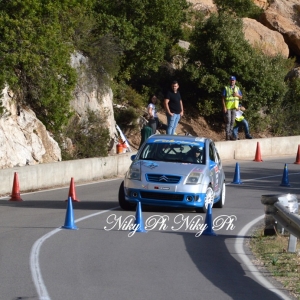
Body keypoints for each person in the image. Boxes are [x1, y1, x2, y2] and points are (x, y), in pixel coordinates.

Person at [221, 76, 242, 140]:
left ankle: (230, 134)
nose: (232, 81)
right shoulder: (226, 88)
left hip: (234, 108)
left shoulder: (237, 88)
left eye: (233, 80)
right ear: (229, 81)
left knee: (233, 122)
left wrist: (237, 95)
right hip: (228, 107)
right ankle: (227, 135)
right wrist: (224, 107)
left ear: (235, 81)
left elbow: (241, 97)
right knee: (228, 121)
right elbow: (223, 98)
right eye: (231, 80)